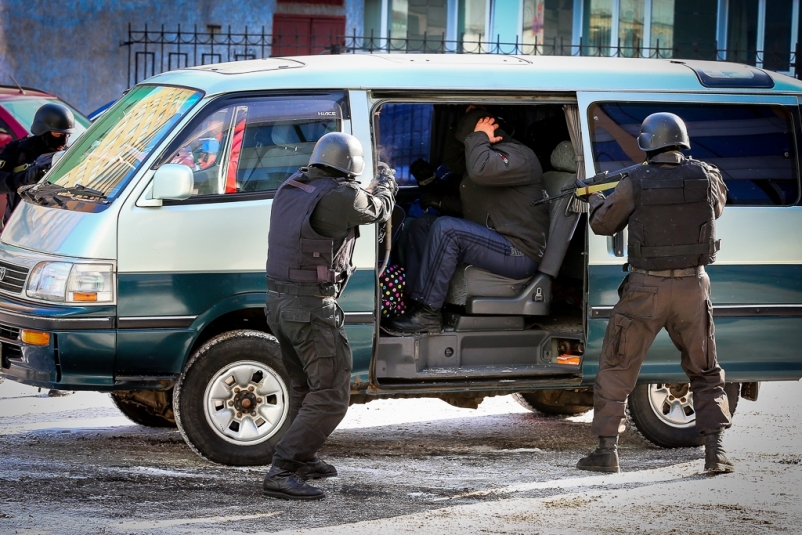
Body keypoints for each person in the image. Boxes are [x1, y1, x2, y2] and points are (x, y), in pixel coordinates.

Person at [576, 112, 733, 474]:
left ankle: (606, 452)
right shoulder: (707, 175)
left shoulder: (635, 180)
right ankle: (715, 453)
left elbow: (603, 224)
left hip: (646, 288)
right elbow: (717, 207)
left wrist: (598, 200)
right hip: (694, 286)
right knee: (706, 370)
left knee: (618, 366)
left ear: (647, 143)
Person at [263, 132, 396, 500]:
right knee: (333, 394)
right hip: (310, 310)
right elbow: (377, 209)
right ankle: (283, 470)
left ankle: (302, 459)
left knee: (306, 389)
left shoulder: (292, 186)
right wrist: (386, 184)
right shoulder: (340, 196)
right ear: (349, 169)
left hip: (279, 304)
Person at [387, 108, 549, 333]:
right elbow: (455, 163)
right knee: (422, 225)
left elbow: (480, 171)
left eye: (471, 133)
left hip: (518, 252)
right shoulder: (483, 156)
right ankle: (417, 302)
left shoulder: (518, 156)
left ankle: (428, 314)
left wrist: (478, 135)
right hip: (496, 240)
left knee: (448, 230)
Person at [0, 102, 75, 222]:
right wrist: (25, 179)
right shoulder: (18, 150)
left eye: (67, 135)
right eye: (58, 134)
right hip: (18, 225)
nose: (64, 141)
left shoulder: (69, 154)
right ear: (43, 131)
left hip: (53, 225)